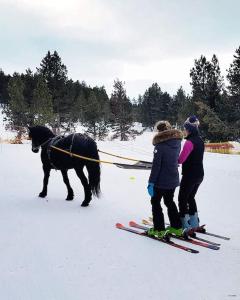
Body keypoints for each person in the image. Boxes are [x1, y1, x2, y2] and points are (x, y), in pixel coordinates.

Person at [147, 121, 184, 239]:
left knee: (155, 202)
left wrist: (151, 182)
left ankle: (159, 229)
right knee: (169, 201)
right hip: (173, 179)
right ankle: (177, 227)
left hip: (161, 181)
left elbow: (156, 166)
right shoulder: (177, 142)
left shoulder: (160, 146)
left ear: (159, 131)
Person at [178, 115, 205, 233]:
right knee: (191, 197)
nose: (184, 131)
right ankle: (194, 224)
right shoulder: (200, 140)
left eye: (185, 128)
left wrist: (171, 160)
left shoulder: (189, 142)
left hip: (190, 175)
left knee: (182, 198)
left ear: (189, 129)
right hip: (200, 174)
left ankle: (185, 225)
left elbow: (181, 160)